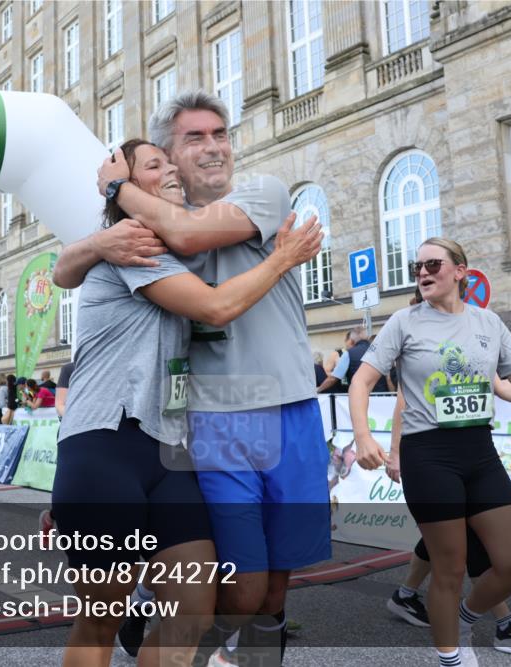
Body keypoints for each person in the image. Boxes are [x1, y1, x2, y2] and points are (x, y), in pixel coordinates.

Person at [56, 92, 331, 667]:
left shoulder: (261, 192)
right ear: (169, 160)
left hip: (182, 441)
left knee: (225, 600)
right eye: (191, 140)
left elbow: (180, 236)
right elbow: (210, 304)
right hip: (135, 437)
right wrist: (103, 224)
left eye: (220, 133)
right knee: (217, 597)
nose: (213, 147)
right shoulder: (137, 246)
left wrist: (102, 219)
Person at [351, 237, 511, 667]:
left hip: (479, 451)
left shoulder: (487, 322)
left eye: (433, 264)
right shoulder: (403, 322)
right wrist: (367, 437)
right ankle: (453, 657)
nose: (423, 272)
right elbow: (362, 381)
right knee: (450, 568)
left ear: (460, 271)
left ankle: (464, 618)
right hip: (429, 454)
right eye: (416, 267)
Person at [318, 326, 388, 394]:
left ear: (351, 341)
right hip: (382, 396)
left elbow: (333, 378)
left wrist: (318, 390)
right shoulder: (379, 350)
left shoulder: (349, 354)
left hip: (361, 396)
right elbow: (388, 377)